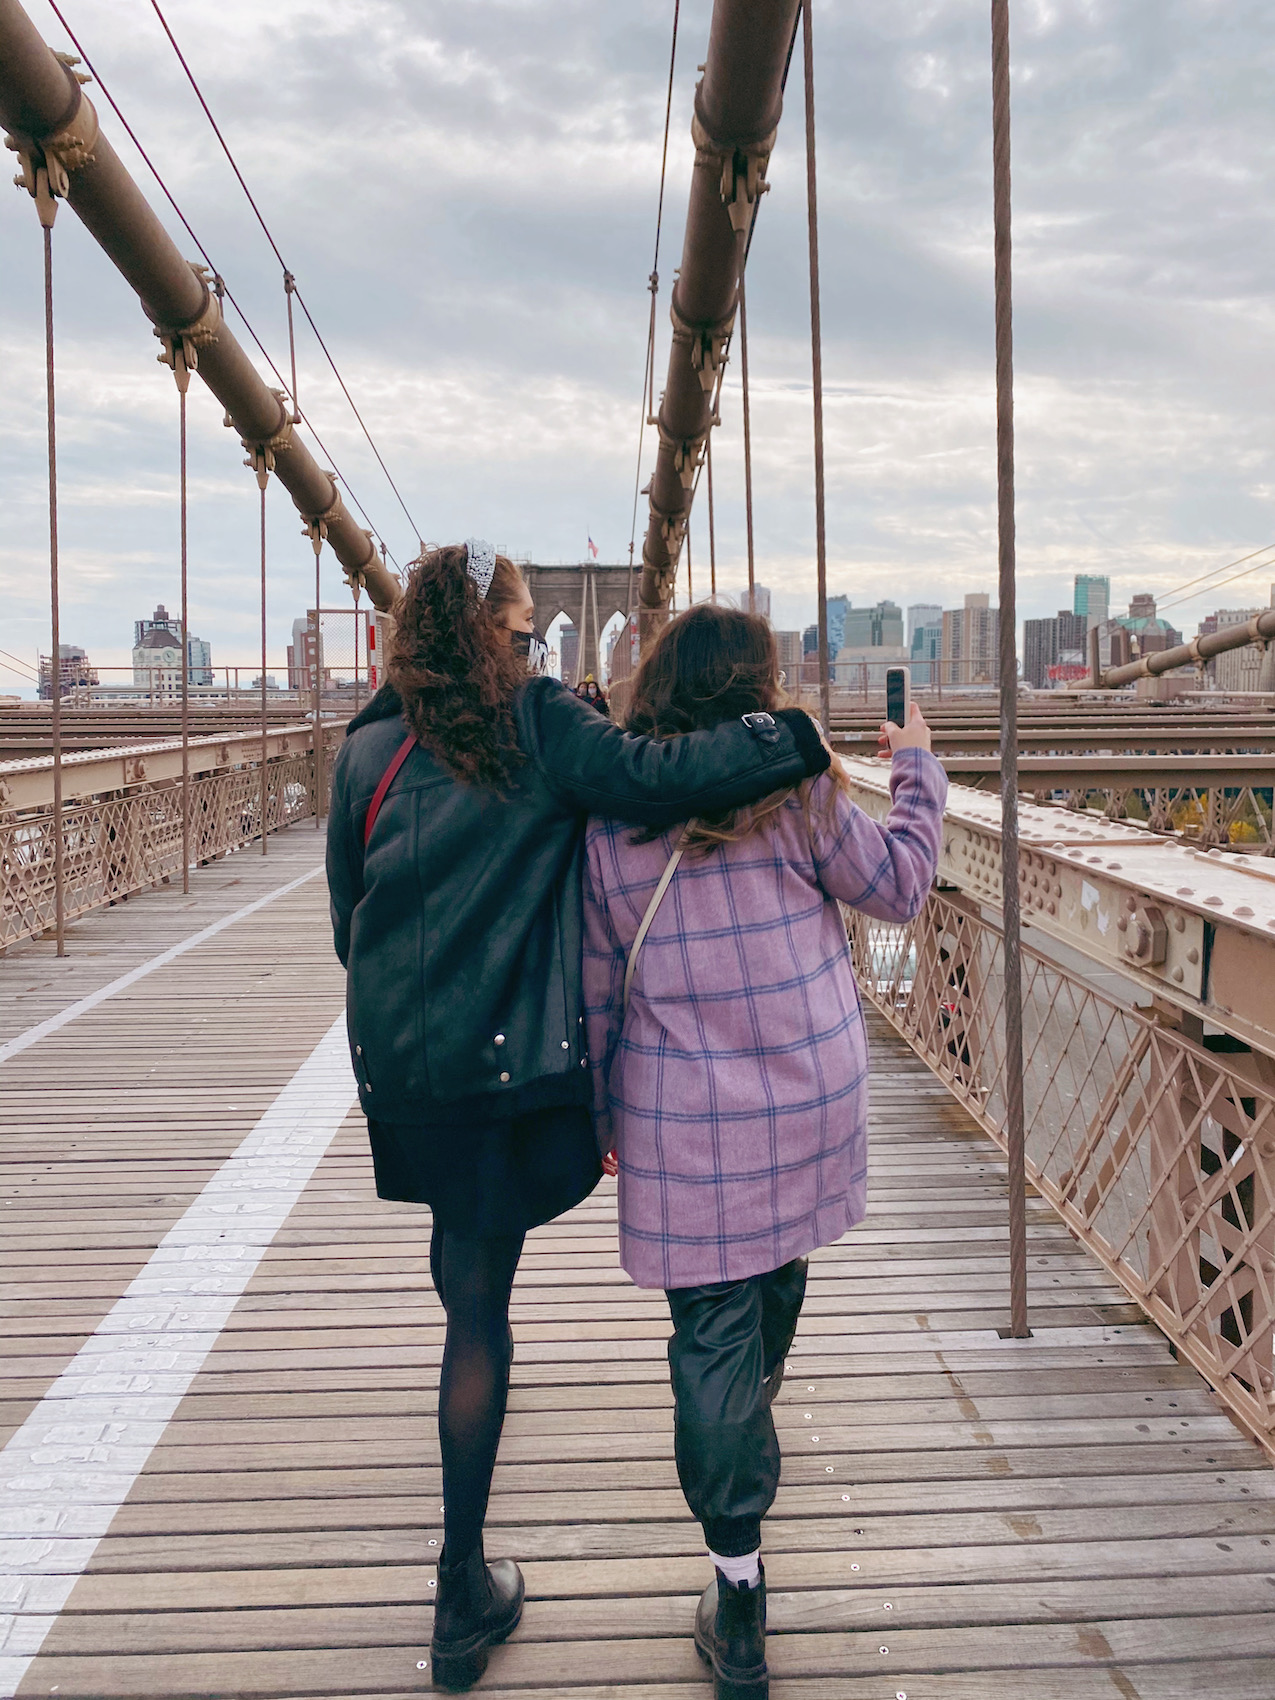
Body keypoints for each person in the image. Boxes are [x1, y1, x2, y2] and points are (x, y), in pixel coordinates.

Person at [325, 543, 831, 1691]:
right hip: (519, 1083)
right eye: (520, 627)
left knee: (474, 1312)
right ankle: (720, 1521)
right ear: (500, 634)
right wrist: (788, 739)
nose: (529, 644)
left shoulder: (364, 751)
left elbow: (348, 923)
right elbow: (661, 775)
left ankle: (460, 1592)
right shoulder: (542, 726)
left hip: (415, 1085)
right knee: (546, 1301)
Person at [582, 602, 946, 1700]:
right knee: (768, 1296)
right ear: (755, 689)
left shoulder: (610, 823)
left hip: (686, 1121)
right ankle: (740, 1495)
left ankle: (736, 1578)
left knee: (715, 1338)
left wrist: (601, 1119)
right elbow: (903, 886)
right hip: (806, 1098)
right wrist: (918, 768)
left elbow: (599, 992)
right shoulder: (799, 787)